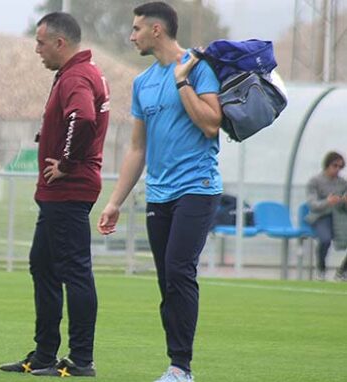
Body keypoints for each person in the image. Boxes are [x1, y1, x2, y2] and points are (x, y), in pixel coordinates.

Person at [96, 3, 222, 381]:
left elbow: (211, 125)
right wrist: (115, 201)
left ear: (156, 30)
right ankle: (177, 364)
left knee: (180, 271)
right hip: (159, 194)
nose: (131, 36)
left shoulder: (199, 68)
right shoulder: (142, 83)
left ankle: (180, 368)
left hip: (197, 188)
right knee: (167, 281)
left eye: (136, 29)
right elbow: (137, 148)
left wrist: (183, 81)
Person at [0, 12, 110, 378]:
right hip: (61, 192)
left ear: (60, 43)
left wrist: (66, 162)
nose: (36, 49)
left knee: (74, 271)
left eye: (41, 42)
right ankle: (45, 354)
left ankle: (81, 359)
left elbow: (85, 118)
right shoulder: (79, 73)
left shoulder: (77, 76)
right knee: (43, 265)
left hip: (68, 189)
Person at [305, 151, 347, 281]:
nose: (337, 169)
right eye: (335, 166)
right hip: (321, 217)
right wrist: (327, 202)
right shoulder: (315, 181)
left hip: (339, 218)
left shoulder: (342, 183)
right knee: (325, 239)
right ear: (327, 164)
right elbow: (312, 204)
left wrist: (343, 201)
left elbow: (343, 208)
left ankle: (342, 272)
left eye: (340, 167)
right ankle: (321, 270)